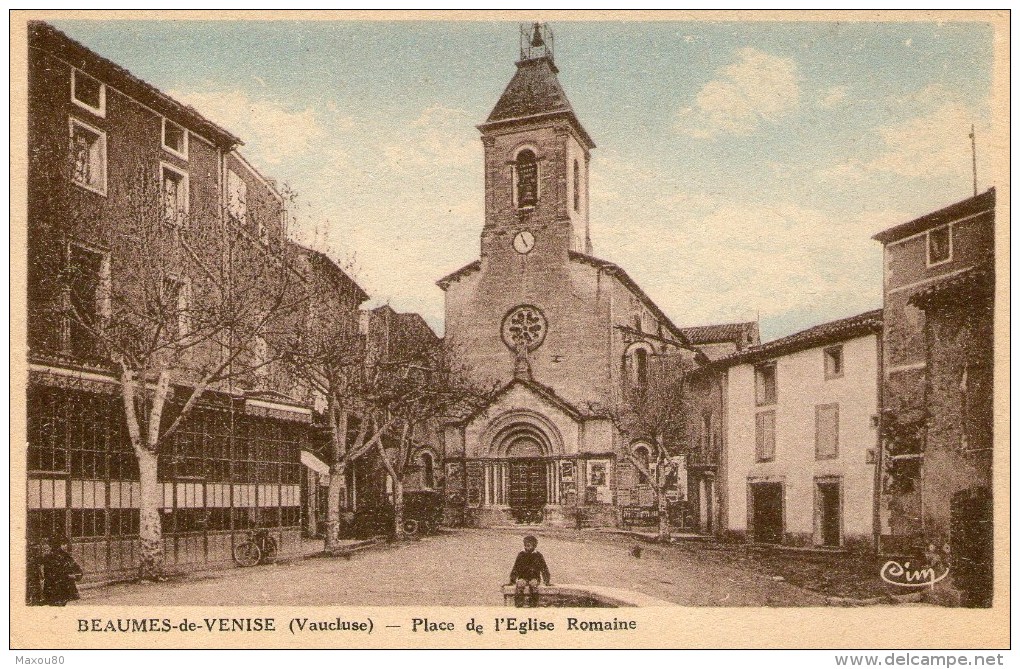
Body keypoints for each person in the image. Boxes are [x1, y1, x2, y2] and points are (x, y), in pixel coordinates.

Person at [39, 535, 83, 606]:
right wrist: (72, 576)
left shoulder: (47, 557)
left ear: (50, 545)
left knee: (55, 606)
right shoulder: (65, 556)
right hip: (62, 588)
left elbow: (78, 572)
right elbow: (79, 572)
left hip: (53, 589)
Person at [508, 535, 551, 607]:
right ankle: (518, 605)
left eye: (530, 544)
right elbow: (516, 568)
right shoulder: (521, 555)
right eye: (526, 544)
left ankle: (533, 605)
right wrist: (512, 580)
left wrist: (546, 580)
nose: (527, 546)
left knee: (533, 585)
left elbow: (544, 568)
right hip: (523, 577)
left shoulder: (538, 555)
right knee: (520, 585)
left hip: (534, 577)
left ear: (534, 545)